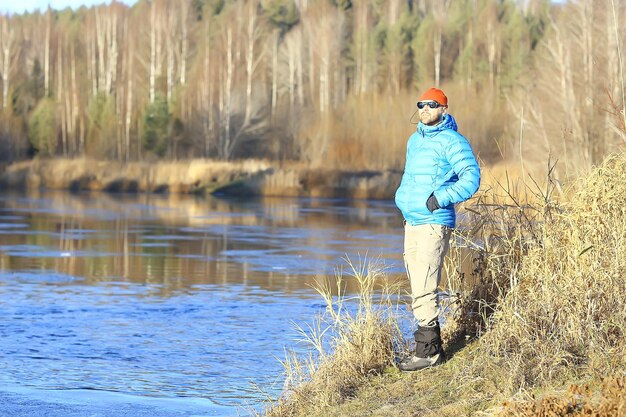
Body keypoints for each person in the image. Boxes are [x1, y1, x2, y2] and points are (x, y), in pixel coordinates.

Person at [394, 87, 480, 371]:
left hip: (433, 223)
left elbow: (471, 178)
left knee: (426, 284)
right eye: (421, 104)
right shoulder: (413, 141)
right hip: (412, 222)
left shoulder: (452, 141)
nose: (425, 108)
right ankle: (427, 349)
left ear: (443, 108)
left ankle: (429, 354)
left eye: (432, 104)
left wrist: (439, 199)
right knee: (417, 285)